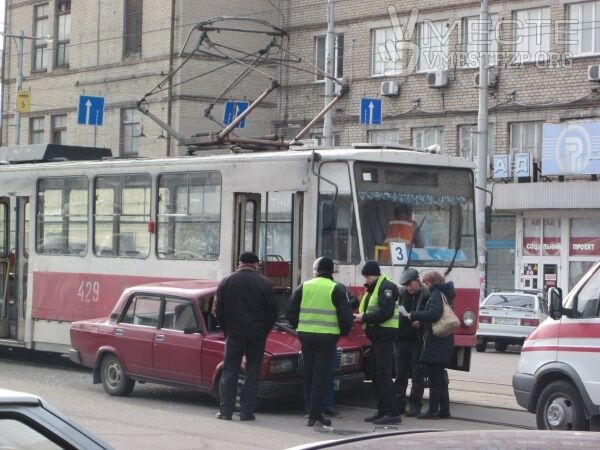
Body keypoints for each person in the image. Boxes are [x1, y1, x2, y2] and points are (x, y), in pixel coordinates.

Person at [286, 257, 353, 427]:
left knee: (308, 373)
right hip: (327, 337)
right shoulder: (336, 289)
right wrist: (341, 333)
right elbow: (345, 317)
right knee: (320, 376)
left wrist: (299, 327)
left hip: (306, 336)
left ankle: (310, 410)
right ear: (332, 272)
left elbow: (290, 312)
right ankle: (315, 415)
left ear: (316, 270)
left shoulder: (304, 286)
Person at [215, 252, 279, 421]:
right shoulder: (265, 283)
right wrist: (263, 330)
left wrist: (226, 329)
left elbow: (218, 310)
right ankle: (246, 412)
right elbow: (273, 311)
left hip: (234, 333)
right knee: (252, 371)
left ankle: (225, 411)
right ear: (256, 264)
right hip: (256, 334)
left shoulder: (227, 281)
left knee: (230, 371)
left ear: (239, 263)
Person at [354, 260, 401, 425]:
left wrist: (364, 318)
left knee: (383, 375)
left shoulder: (386, 287)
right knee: (376, 374)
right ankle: (382, 410)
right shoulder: (373, 289)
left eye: (367, 276)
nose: (365, 280)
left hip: (385, 337)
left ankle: (393, 413)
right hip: (377, 337)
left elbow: (385, 312)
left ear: (374, 274)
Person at [408, 270, 454, 419]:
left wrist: (415, 314)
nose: (425, 286)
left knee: (435, 378)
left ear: (432, 283)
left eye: (426, 283)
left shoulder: (435, 294)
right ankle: (444, 411)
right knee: (440, 377)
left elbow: (434, 314)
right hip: (444, 340)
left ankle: (433, 411)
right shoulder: (445, 294)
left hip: (436, 341)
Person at [394, 268, 429, 417]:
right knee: (400, 375)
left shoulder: (426, 295)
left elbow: (431, 316)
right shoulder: (401, 294)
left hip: (417, 341)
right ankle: (399, 404)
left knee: (417, 376)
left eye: (411, 284)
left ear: (417, 281)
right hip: (401, 340)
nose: (409, 287)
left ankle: (415, 405)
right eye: (406, 285)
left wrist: (421, 324)